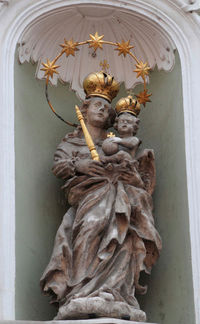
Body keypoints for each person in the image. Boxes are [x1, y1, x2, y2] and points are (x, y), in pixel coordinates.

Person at [40, 74, 162, 322]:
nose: (103, 111)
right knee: (91, 226)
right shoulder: (73, 142)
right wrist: (81, 164)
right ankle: (81, 290)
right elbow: (59, 166)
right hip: (88, 196)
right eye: (98, 106)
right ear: (84, 111)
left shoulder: (115, 142)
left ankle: (115, 291)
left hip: (121, 195)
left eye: (107, 108)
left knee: (124, 235)